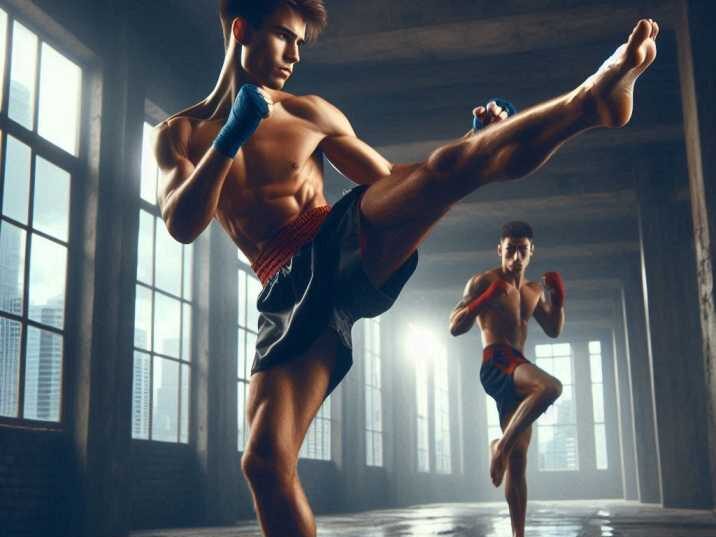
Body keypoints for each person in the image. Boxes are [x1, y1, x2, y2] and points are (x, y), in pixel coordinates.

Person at [153, 0, 659, 533]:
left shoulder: (311, 113)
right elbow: (182, 221)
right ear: (241, 30)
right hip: (284, 291)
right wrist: (230, 136)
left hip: (335, 238)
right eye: (284, 36)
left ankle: (589, 101)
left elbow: (392, 179)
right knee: (263, 464)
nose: (294, 55)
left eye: (301, 42)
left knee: (445, 170)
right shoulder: (180, 134)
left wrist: (471, 143)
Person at [449, 221, 565, 537]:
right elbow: (455, 326)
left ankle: (518, 534)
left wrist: (558, 299)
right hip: (497, 361)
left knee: (518, 459)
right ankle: (499, 446)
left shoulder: (532, 291)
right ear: (500, 249)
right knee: (551, 386)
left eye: (522, 250)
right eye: (510, 248)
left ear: (531, 252)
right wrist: (484, 297)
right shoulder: (483, 280)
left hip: (519, 363)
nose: (516, 256)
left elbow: (554, 329)